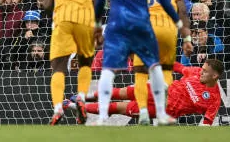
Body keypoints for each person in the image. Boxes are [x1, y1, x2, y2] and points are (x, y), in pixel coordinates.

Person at [94, 0, 191, 126]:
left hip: (118, 21)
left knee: (109, 70)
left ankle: (103, 116)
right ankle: (161, 113)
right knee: (155, 68)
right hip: (142, 23)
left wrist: (97, 25)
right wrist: (180, 25)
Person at [69, 59, 223, 126]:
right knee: (123, 92)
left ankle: (74, 105)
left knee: (120, 107)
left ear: (214, 76)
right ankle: (86, 96)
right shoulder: (195, 72)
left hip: (163, 110)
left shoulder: (214, 100)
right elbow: (177, 67)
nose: (200, 72)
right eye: (201, 69)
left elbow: (207, 124)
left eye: (205, 71)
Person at [42, 0, 99, 125]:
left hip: (63, 22)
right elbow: (99, 2)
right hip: (85, 21)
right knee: (85, 62)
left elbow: (46, 5)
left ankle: (58, 107)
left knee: (58, 67)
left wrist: (58, 6)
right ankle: (81, 97)